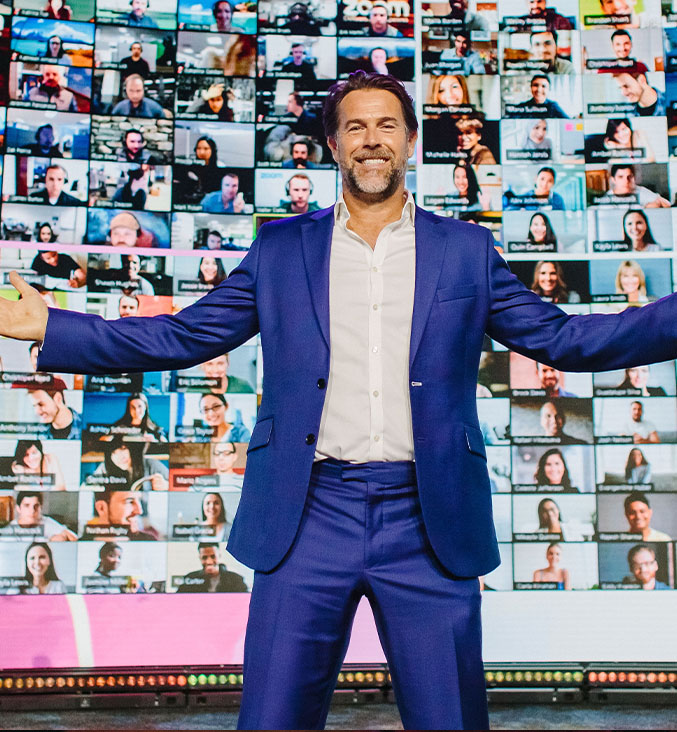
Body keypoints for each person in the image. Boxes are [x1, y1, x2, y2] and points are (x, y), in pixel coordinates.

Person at [9, 70, 677, 730]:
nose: (370, 139)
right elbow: (184, 335)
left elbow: (563, 338)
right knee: (272, 720)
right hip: (306, 516)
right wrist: (55, 327)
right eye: (353, 126)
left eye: (386, 125)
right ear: (332, 144)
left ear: (411, 141)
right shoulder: (279, 248)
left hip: (429, 519)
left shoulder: (465, 250)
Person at [87, 436, 168, 490]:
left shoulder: (150, 464)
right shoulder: (104, 468)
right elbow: (87, 487)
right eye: (114, 453)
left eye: (123, 449)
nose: (120, 457)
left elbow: (175, 484)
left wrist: (165, 485)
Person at [83, 489, 157, 540]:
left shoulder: (150, 540)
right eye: (130, 501)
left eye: (139, 500)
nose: (139, 511)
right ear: (101, 508)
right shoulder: (81, 542)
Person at [177, 542, 247, 592]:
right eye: (204, 557)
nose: (209, 561)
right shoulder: (190, 579)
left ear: (219, 556)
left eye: (213, 556)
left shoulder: (236, 580)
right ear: (200, 558)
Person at [9, 492, 76, 541]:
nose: (32, 510)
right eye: (27, 505)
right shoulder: (9, 530)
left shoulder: (45, 521)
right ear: (18, 509)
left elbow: (73, 537)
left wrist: (61, 537)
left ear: (40, 507)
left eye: (36, 506)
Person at [597, 164, 670, 208]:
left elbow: (667, 204)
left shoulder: (638, 190)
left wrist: (654, 205)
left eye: (629, 177)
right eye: (620, 177)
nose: (626, 181)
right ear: (613, 180)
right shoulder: (606, 201)